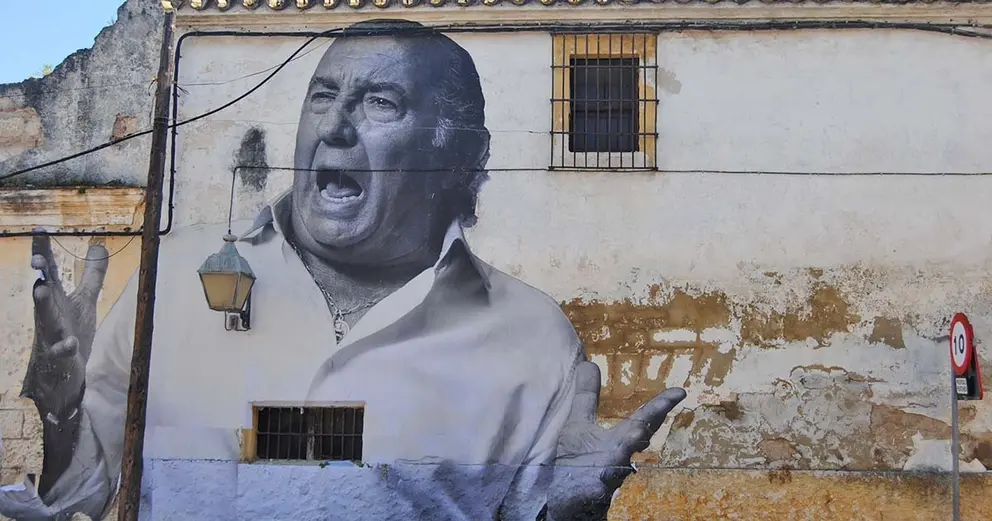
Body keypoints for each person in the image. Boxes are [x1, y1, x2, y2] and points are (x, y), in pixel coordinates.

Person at [0, 19, 686, 521]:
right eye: (323, 96)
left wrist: (568, 510)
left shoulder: (533, 340)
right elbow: (86, 496)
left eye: (380, 103)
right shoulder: (175, 278)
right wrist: (62, 409)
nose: (335, 127)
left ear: (459, 155)